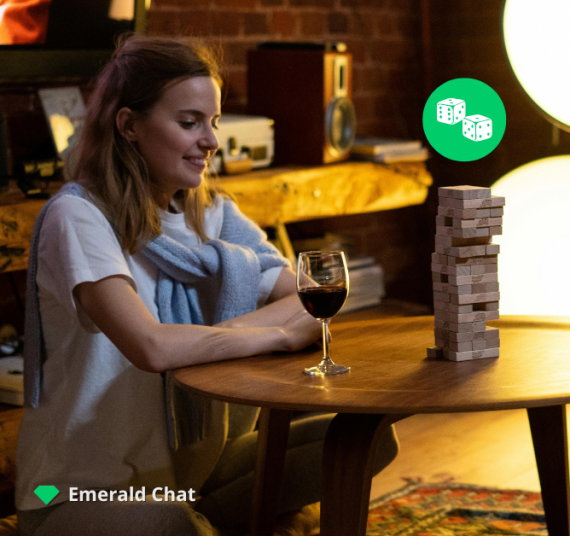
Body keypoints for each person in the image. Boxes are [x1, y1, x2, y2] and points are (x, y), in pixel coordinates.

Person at [15, 35, 398, 536]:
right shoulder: (80, 216)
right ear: (128, 124)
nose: (211, 141)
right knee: (172, 523)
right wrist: (275, 334)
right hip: (76, 487)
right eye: (189, 122)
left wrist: (238, 332)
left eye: (213, 122)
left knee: (368, 441)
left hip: (189, 472)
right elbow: (149, 345)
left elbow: (308, 303)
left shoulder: (214, 214)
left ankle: (214, 517)